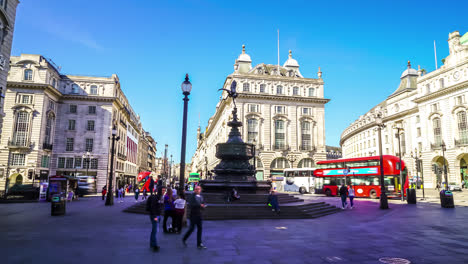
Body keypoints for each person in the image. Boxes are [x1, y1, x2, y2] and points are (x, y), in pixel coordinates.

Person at [146, 187, 165, 252]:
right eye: (162, 190)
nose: (163, 191)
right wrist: (155, 216)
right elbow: (153, 207)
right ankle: (154, 245)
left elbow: (160, 206)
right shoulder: (156, 197)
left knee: (154, 230)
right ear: (159, 190)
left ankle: (152, 243)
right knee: (155, 230)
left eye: (164, 190)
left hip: (158, 215)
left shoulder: (161, 197)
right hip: (155, 216)